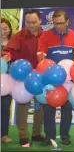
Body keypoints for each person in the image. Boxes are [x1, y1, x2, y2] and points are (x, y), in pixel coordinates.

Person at [2, 10, 46, 146]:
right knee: (23, 106)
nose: (31, 25)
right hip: (23, 78)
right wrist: (5, 58)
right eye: (28, 22)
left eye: (34, 22)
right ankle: (23, 136)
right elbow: (8, 51)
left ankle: (37, 133)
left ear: (40, 21)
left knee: (42, 106)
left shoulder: (46, 36)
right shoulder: (18, 36)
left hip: (41, 76)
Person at [37, 9, 74, 146]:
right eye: (55, 23)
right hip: (51, 79)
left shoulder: (73, 36)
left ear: (67, 22)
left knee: (67, 109)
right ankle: (49, 136)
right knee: (49, 109)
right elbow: (40, 57)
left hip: (67, 81)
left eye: (61, 23)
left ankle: (65, 135)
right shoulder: (45, 36)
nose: (58, 26)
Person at [1, 17, 13, 144]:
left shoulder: (13, 44)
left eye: (5, 29)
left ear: (9, 30)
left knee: (5, 108)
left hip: (8, 83)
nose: (3, 32)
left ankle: (4, 135)